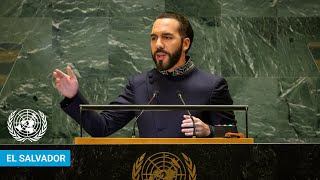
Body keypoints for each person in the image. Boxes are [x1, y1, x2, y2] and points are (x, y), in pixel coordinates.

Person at [53, 12, 236, 138]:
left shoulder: (212, 85)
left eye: (167, 37)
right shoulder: (138, 85)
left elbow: (232, 133)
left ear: (185, 43)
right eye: (154, 37)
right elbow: (102, 127)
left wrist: (209, 131)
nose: (158, 44)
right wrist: (73, 97)